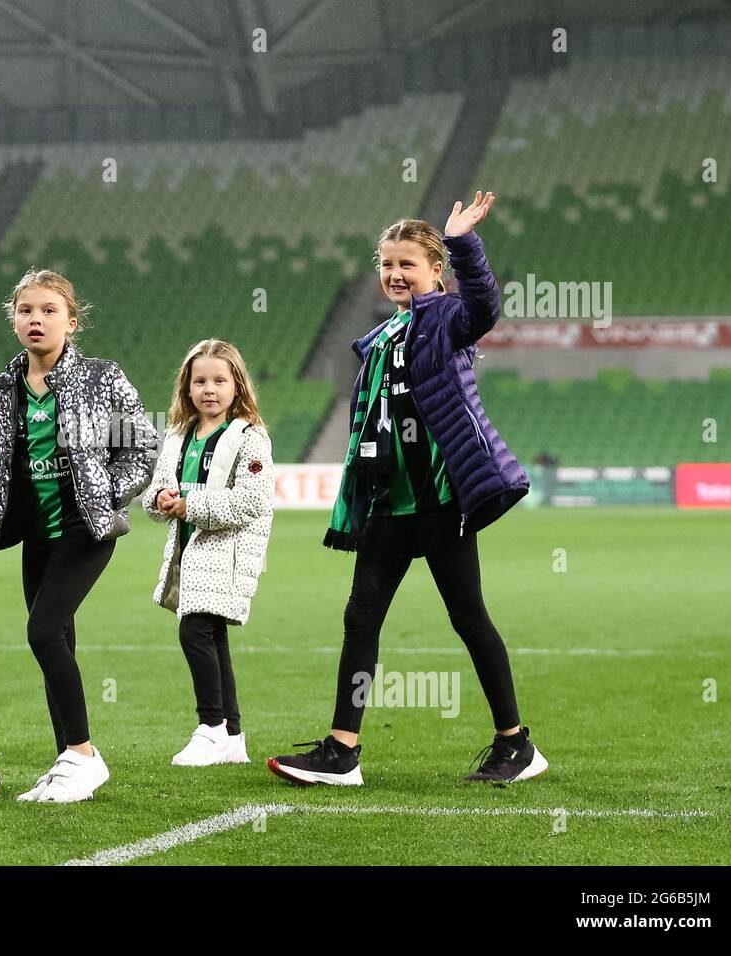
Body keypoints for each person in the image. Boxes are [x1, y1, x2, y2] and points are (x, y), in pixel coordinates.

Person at [268, 193, 547, 787]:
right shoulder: (382, 335)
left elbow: (485, 308)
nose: (395, 274)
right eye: (387, 264)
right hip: (390, 505)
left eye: (408, 265)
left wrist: (464, 241)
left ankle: (516, 744)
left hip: (442, 503)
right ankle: (342, 751)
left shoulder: (447, 318)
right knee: (360, 618)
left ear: (434, 271)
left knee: (468, 618)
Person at [0, 269, 158, 803]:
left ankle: (82, 754)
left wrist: (104, 493)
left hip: (86, 527)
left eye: (49, 310)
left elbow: (142, 447)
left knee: (42, 632)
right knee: (59, 638)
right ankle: (67, 764)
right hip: (37, 532)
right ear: (14, 321)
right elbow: (5, 459)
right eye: (26, 310)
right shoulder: (4, 385)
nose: (37, 319)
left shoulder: (102, 377)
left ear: (72, 322)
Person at [141, 340, 274, 767]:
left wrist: (191, 506)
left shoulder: (249, 437)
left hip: (227, 554)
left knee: (194, 631)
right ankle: (233, 737)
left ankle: (211, 727)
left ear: (237, 385)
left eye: (219, 380)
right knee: (212, 637)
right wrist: (161, 499)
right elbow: (155, 491)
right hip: (188, 553)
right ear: (187, 386)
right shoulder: (179, 435)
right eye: (200, 381)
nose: (209, 389)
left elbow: (251, 502)